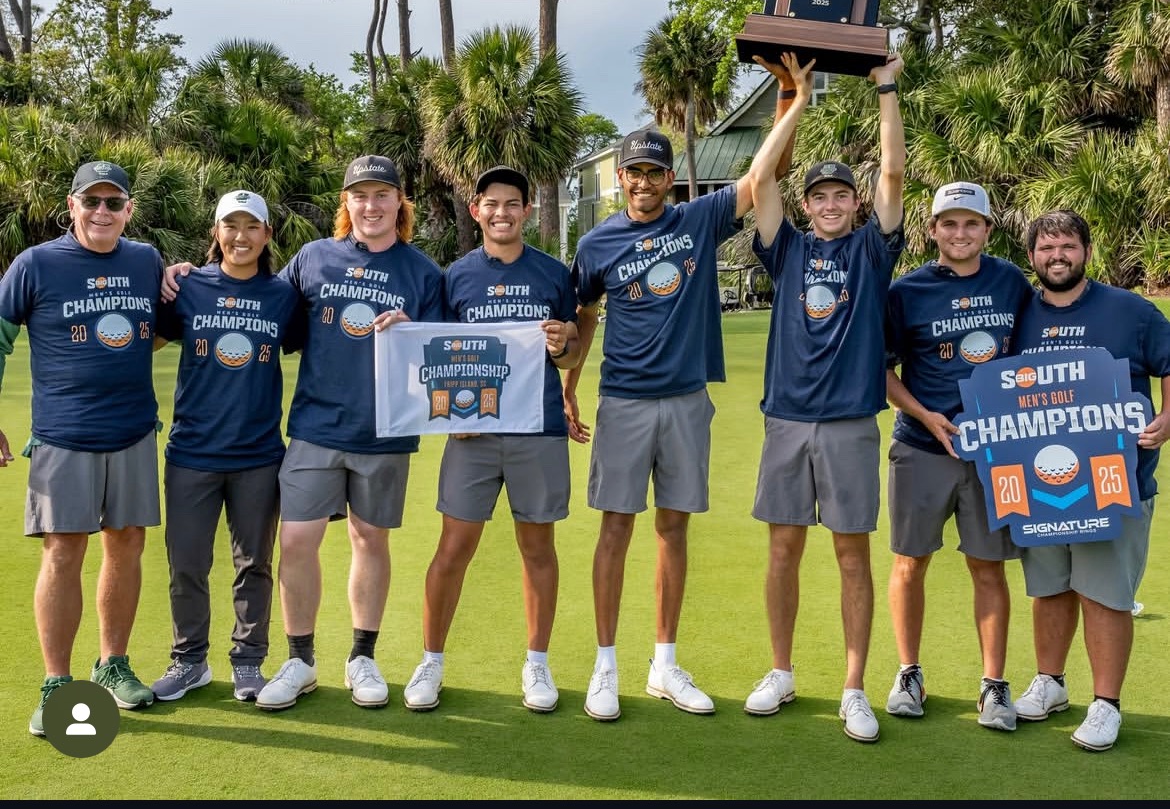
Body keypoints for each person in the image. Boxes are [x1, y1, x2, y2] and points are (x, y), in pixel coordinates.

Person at [164, 155, 444, 711]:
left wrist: (416, 333)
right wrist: (181, 273)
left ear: (398, 204)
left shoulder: (423, 272)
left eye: (382, 195)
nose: (371, 205)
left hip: (385, 432)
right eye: (360, 195)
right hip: (315, 426)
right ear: (347, 204)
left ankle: (362, 656)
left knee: (370, 540)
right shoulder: (313, 259)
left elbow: (443, 354)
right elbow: (257, 303)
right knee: (294, 541)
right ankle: (300, 658)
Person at [563, 76, 800, 722]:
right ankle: (605, 664)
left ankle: (663, 662)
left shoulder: (697, 220)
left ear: (669, 179)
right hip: (623, 400)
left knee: (673, 526)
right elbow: (582, 316)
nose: (642, 183)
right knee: (615, 527)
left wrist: (789, 96)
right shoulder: (596, 244)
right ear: (619, 177)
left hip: (687, 401)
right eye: (632, 173)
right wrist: (567, 388)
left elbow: (765, 172)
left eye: (653, 173)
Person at [744, 50, 906, 744]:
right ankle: (781, 671)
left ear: (854, 203)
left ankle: (853, 685)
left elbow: (895, 170)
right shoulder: (787, 250)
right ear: (807, 205)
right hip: (786, 420)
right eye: (821, 196)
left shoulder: (872, 251)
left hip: (847, 423)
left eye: (842, 194)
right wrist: (796, 100)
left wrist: (886, 86)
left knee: (850, 554)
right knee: (782, 550)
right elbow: (757, 179)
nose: (832, 203)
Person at [402, 165, 580, 714]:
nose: (501, 212)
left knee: (538, 549)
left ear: (527, 211)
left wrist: (562, 344)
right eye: (491, 204)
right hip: (472, 433)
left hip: (538, 430)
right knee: (453, 549)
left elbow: (571, 348)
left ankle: (538, 662)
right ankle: (431, 660)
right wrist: (447, 415)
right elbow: (433, 353)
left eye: (512, 203)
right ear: (476, 210)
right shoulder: (454, 276)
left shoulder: (553, 274)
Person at [0, 160, 163, 736]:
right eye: (90, 202)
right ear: (71, 206)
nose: (102, 212)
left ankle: (113, 666)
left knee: (126, 546)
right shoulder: (36, 263)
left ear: (128, 210)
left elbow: (160, 324)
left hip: (134, 432)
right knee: (63, 552)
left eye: (113, 203)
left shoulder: (145, 260)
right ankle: (56, 684)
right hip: (63, 436)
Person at [1010, 210, 1170, 752]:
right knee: (1050, 587)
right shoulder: (1019, 312)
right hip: (1039, 485)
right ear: (1032, 256)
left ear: (1087, 250)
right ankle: (1051, 682)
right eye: (1047, 246)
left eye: (1068, 246)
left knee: (1105, 594)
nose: (1058, 255)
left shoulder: (1130, 310)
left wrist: (1168, 418)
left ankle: (1107, 704)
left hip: (1115, 480)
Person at [882, 181, 1034, 731]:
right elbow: (883, 370)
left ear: (988, 230)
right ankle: (909, 673)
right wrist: (925, 415)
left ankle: (994, 684)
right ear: (933, 230)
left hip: (993, 453)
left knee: (987, 567)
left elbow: (1032, 353)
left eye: (972, 223)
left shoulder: (1011, 281)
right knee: (909, 563)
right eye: (950, 223)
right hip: (922, 446)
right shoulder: (907, 290)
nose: (960, 232)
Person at [149, 190, 305, 704]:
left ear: (266, 235)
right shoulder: (187, 288)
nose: (241, 237)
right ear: (216, 232)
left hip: (258, 456)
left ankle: (248, 661)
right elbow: (143, 339)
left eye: (252, 227)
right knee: (187, 564)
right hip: (191, 451)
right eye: (230, 226)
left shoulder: (283, 296)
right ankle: (189, 661)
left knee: (253, 565)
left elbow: (323, 346)